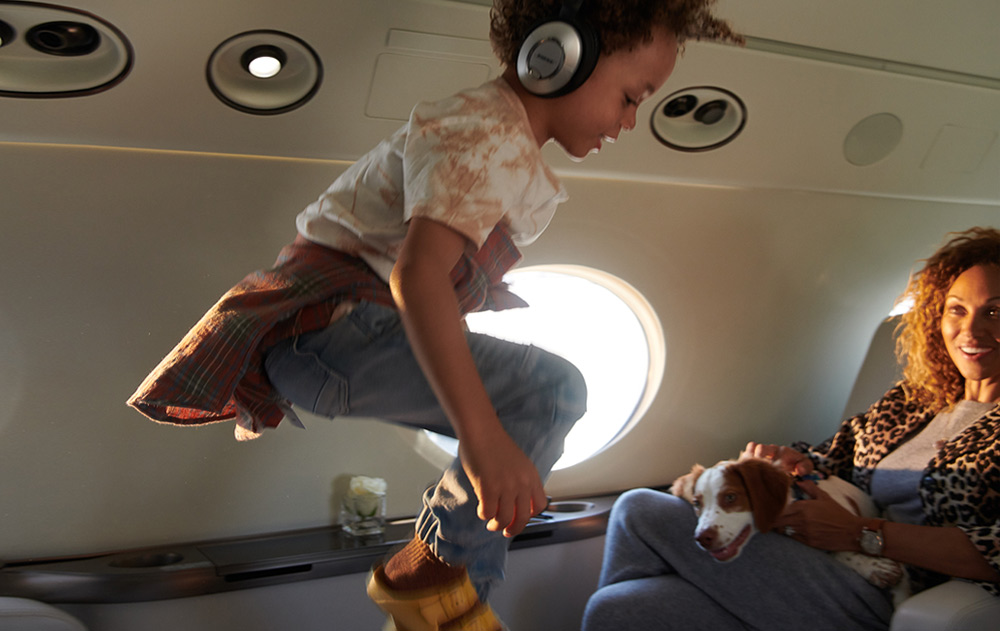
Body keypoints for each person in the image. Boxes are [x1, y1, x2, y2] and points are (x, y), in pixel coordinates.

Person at [127, 1, 742, 629]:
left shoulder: (501, 142)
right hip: (331, 330)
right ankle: (437, 583)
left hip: (331, 339)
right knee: (552, 389)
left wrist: (495, 441)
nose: (631, 120)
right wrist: (482, 442)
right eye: (631, 96)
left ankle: (440, 589)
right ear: (560, 57)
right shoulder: (487, 132)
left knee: (530, 403)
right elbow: (417, 277)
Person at [582, 226, 1000, 631]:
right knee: (618, 610)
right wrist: (792, 462)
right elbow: (834, 455)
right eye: (956, 310)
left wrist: (861, 535)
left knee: (639, 509)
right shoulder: (915, 400)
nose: (971, 329)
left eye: (995, 311)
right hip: (820, 557)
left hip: (891, 587)